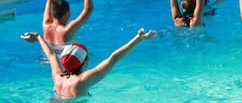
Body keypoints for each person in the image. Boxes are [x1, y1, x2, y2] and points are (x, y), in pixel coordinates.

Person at [20, 28, 156, 98]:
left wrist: (38, 37)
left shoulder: (58, 77)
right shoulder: (81, 81)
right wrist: (138, 38)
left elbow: (50, 55)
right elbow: (113, 58)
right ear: (84, 62)